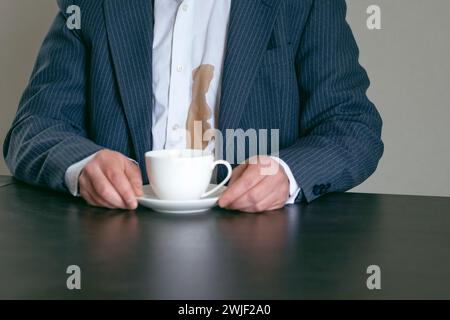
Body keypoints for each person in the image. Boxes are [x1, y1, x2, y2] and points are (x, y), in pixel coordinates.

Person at [3, 0, 383, 212]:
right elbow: (34, 127)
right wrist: (84, 164)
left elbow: (352, 126)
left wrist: (286, 174)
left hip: (264, 254)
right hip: (116, 250)